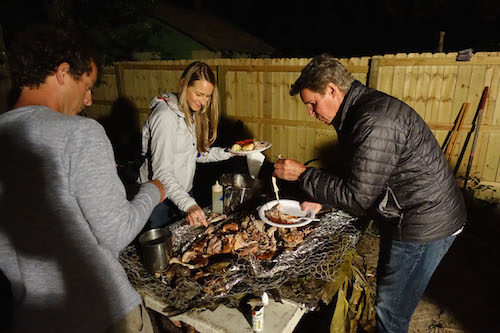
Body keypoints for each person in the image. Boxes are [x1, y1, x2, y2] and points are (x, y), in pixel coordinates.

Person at [274, 53, 466, 333]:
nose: (311, 113)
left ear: (331, 90)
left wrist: (303, 175)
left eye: (312, 104)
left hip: (425, 222)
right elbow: (362, 171)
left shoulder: (375, 120)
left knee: (391, 310)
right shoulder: (359, 110)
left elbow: (358, 197)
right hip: (410, 211)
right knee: (391, 296)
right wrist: (322, 199)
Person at [0, 25, 166, 333]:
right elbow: (117, 232)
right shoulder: (78, 133)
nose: (89, 100)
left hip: (31, 320)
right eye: (87, 85)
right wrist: (152, 191)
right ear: (63, 73)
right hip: (101, 315)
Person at [138, 61, 233, 228]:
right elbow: (162, 173)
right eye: (199, 94)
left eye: (208, 96)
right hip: (159, 201)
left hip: (180, 194)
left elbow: (196, 154)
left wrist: (231, 152)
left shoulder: (189, 113)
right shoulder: (166, 117)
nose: (204, 102)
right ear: (183, 84)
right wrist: (189, 205)